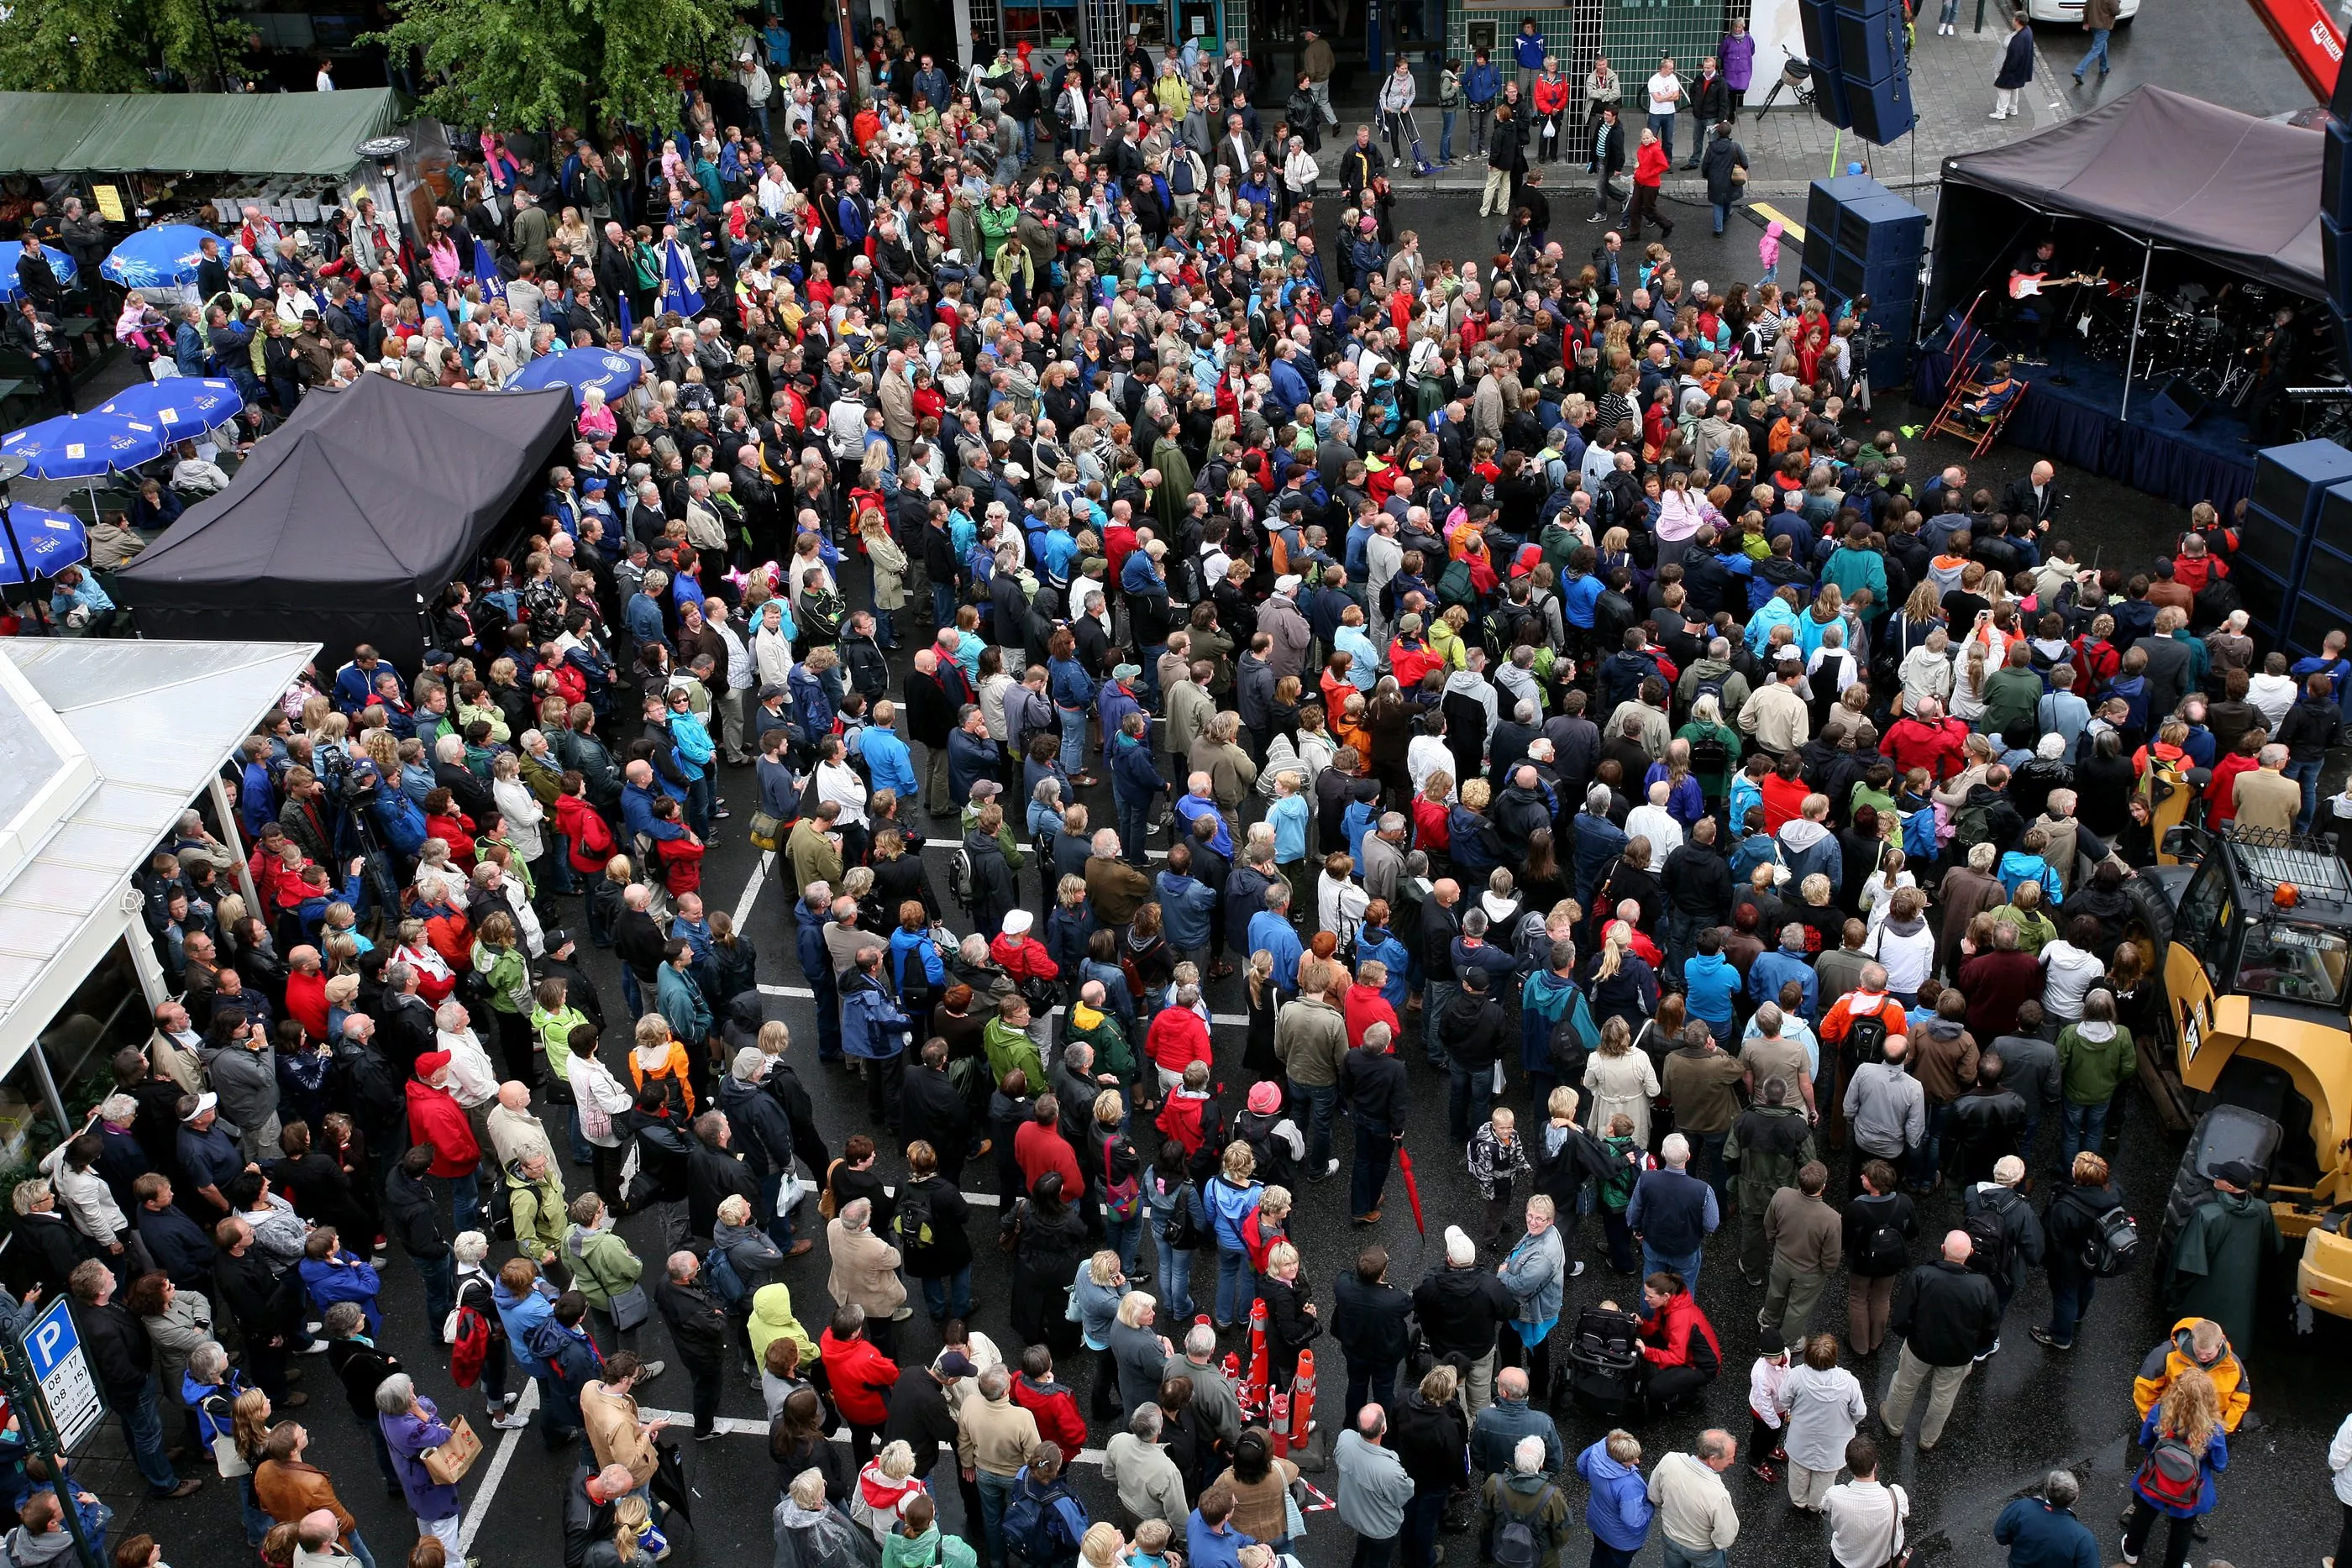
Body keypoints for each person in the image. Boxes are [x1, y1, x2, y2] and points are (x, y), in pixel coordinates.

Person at [1879, 1230, 2001, 1452]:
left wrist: (1909, 1334)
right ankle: (1928, 1438)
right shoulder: (1983, 1286)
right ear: (1971, 1253)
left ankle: (1894, 1423)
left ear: (1943, 1249)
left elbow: (1901, 1317)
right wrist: (1973, 1348)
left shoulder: (1923, 1275)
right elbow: (1990, 1328)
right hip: (1958, 1355)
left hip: (1919, 1348)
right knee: (1943, 1398)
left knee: (1904, 1386)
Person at [2160, 1159, 2281, 1354]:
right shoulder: (2262, 1210)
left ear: (2229, 1186)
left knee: (2197, 1347)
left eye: (2219, 1177)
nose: (2214, 1178)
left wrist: (2171, 1295)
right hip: (2242, 1297)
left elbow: (2187, 1265)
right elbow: (2272, 1248)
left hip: (2204, 1297)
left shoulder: (2206, 1215)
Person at [2122, 1366, 2229, 1568]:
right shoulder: (2213, 1430)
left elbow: (2145, 1440)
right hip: (2189, 1488)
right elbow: (2219, 1464)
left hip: (2156, 1476)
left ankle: (2131, 1552)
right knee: (2182, 1528)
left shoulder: (2160, 1412)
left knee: (2143, 1514)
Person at [1646, 1429, 1739, 1568]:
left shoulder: (1669, 1460)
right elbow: (1726, 1536)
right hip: (1702, 1551)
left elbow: (1654, 1496)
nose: (1732, 1461)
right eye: (1729, 1458)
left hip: (1670, 1537)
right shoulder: (1718, 1495)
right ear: (1712, 1459)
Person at [1336, 1404, 1415, 1568]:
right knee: (1378, 1562)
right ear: (1384, 1428)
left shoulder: (1345, 1438)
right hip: (1381, 1528)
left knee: (1362, 1551)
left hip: (1355, 1514)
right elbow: (1404, 1496)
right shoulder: (1390, 1471)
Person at [1575, 1428, 1655, 1568]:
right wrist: (1651, 1506)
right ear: (1618, 1459)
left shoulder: (1598, 1449)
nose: (1637, 1461)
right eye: (1630, 1460)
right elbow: (1634, 1523)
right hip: (1621, 1541)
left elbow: (1581, 1465)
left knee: (1598, 1557)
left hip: (1598, 1524)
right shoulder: (1629, 1486)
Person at [1823, 1438, 1907, 1568]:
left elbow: (1824, 1505)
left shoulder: (1834, 1494)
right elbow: (1904, 1514)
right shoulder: (1896, 1494)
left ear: (1848, 1466)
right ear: (1875, 1465)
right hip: (1883, 1562)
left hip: (1844, 1561)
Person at [1994, 1470, 2101, 1568]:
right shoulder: (2083, 1538)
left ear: (2046, 1490)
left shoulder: (2021, 1508)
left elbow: (2001, 1536)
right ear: (2076, 1497)